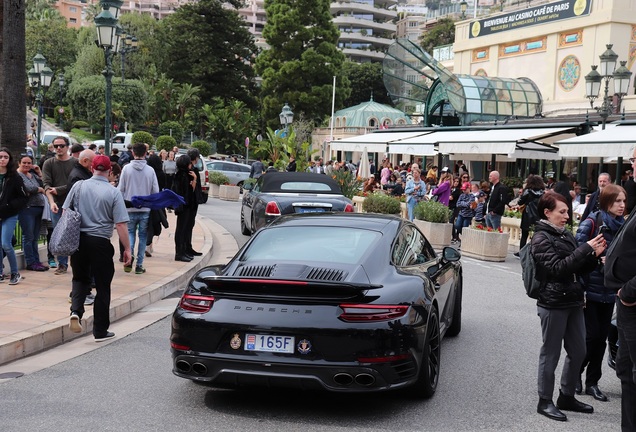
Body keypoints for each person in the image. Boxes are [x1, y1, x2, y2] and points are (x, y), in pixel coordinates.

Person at [532, 191, 606, 422]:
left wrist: (593, 257)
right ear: (547, 212)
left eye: (567, 212)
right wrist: (585, 249)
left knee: (578, 351)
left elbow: (577, 269)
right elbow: (558, 269)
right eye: (561, 212)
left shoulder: (565, 235)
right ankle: (544, 401)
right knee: (551, 354)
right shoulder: (540, 238)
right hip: (553, 303)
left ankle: (566, 395)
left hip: (573, 300)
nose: (567, 216)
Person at [67, 155, 131, 342]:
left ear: (92, 168)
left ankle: (76, 312)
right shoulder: (113, 192)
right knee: (103, 286)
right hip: (101, 242)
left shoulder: (79, 186)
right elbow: (120, 224)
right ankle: (100, 330)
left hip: (79, 240)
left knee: (80, 278)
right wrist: (127, 249)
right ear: (110, 171)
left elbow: (66, 211)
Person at [575, 184, 626, 402]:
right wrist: (597, 259)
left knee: (602, 340)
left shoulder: (624, 226)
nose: (622, 205)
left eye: (624, 201)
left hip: (611, 291)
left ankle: (592, 383)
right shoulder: (593, 222)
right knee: (590, 337)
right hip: (589, 290)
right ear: (606, 202)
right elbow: (577, 255)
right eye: (617, 201)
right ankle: (574, 374)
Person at [117, 143, 159, 274]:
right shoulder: (150, 170)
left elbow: (120, 189)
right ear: (145, 153)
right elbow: (155, 191)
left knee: (129, 234)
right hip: (145, 208)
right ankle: (139, 265)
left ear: (133, 153)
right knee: (142, 236)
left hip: (129, 207)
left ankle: (129, 258)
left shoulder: (126, 169)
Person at [42, 136, 76, 274]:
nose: (59, 148)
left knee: (75, 233)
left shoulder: (75, 163)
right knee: (60, 233)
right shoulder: (49, 163)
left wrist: (59, 189)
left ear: (68, 146)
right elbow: (46, 185)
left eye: (61, 145)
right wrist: (51, 202)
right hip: (56, 203)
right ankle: (62, 264)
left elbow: (75, 184)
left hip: (73, 203)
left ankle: (78, 262)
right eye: (56, 146)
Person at [0, 149, 29, 284]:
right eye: (0, 157)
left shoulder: (14, 177)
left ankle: (14, 272)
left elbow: (23, 198)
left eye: (6, 157)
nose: (3, 159)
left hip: (9, 214)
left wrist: (8, 206)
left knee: (6, 243)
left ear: (10, 159)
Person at [17, 155, 48, 271]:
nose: (26, 165)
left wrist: (39, 172)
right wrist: (39, 189)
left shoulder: (32, 175)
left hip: (38, 208)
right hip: (27, 209)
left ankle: (37, 261)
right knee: (28, 237)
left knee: (35, 237)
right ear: (19, 163)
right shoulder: (18, 175)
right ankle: (31, 262)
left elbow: (44, 183)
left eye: (29, 163)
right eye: (24, 162)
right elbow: (29, 188)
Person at [171, 154, 198, 262]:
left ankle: (182, 252)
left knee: (183, 229)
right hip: (184, 206)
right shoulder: (182, 176)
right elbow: (188, 192)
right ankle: (179, 253)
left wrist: (194, 179)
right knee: (181, 230)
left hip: (184, 206)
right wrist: (194, 180)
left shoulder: (182, 174)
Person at [514, 174, 545, 257]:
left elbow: (520, 202)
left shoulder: (528, 191)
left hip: (528, 214)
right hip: (539, 215)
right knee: (536, 235)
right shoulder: (543, 192)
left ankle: (522, 252)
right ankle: (534, 252)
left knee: (524, 235)